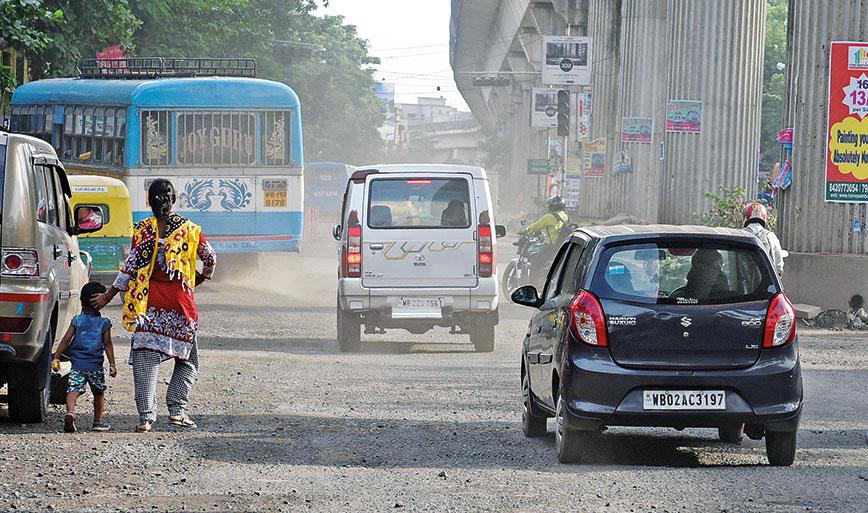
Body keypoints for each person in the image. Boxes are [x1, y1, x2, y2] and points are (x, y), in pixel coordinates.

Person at [90, 179, 217, 433]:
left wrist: (108, 296)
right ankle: (177, 410)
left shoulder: (142, 232)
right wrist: (197, 279)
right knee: (188, 360)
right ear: (174, 200)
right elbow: (210, 257)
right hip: (181, 307)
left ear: (148, 201)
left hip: (147, 307)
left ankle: (146, 419)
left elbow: (129, 268)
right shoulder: (191, 230)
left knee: (146, 361)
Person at [52, 281, 117, 433]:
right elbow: (108, 344)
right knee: (99, 393)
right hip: (95, 367)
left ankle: (70, 413)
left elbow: (66, 339)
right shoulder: (104, 323)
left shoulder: (77, 320)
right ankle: (97, 422)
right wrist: (112, 364)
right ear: (100, 304)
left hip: (77, 365)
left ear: (81, 301)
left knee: (73, 390)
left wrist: (56, 356)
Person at [743, 202, 784, 277]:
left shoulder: (740, 235)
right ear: (764, 218)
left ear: (745, 218)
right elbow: (779, 267)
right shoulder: (771, 236)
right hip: (766, 285)